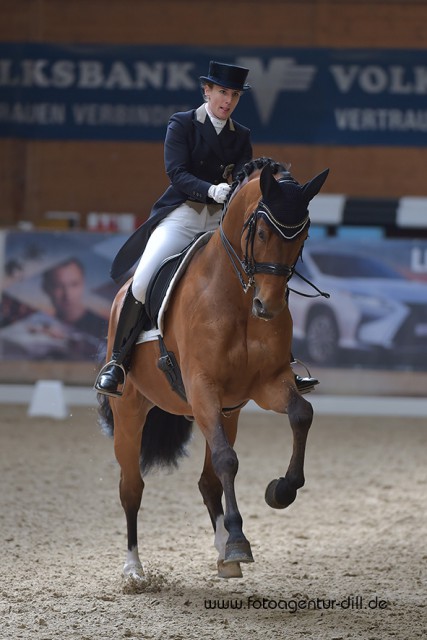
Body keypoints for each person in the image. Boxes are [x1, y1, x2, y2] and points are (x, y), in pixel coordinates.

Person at [95, 61, 318, 397]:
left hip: (219, 222)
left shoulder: (240, 135)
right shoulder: (182, 124)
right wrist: (211, 190)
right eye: (223, 93)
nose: (228, 100)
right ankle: (117, 362)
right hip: (184, 215)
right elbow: (177, 173)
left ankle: (282, 362)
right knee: (142, 279)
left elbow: (243, 180)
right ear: (207, 91)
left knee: (264, 278)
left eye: (235, 95)